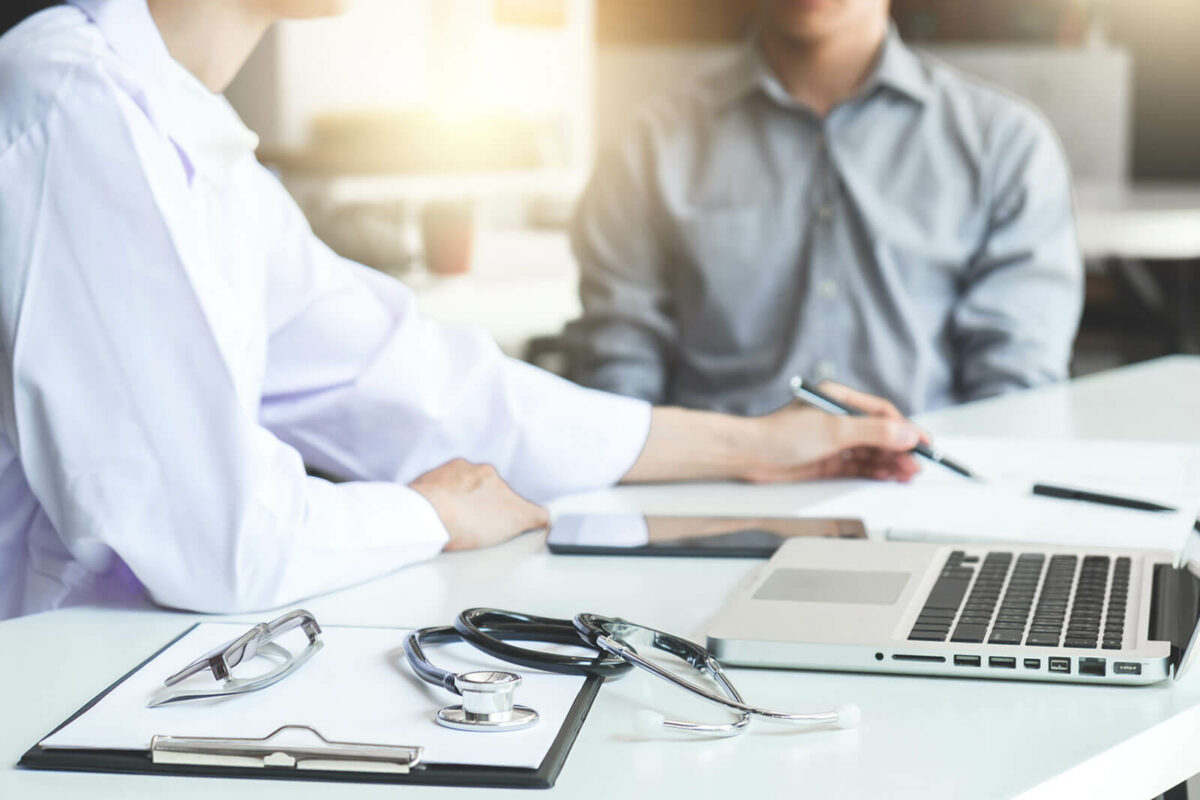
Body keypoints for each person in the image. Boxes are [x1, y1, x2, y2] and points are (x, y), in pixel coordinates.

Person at [0, 0, 926, 618]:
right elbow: (212, 539)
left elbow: (424, 387)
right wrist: (426, 513)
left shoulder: (197, 143)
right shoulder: (75, 102)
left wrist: (754, 446)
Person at [564, 0, 1083, 416]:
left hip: (923, 498)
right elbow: (619, 377)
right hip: (709, 495)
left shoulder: (1005, 145)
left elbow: (1016, 396)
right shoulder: (649, 146)